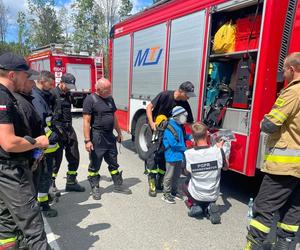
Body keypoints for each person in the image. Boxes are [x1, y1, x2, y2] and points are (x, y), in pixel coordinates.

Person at [245, 52, 300, 250]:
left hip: (284, 166)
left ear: (292, 70)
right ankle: (284, 246)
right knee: (293, 209)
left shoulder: (293, 92)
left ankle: (254, 245)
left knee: (264, 207)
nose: (283, 74)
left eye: (284, 70)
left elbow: (270, 124)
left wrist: (261, 121)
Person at [0, 52, 51, 249]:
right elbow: (9, 143)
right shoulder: (3, 96)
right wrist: (37, 142)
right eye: (25, 75)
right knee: (34, 228)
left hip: (6, 171)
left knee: (6, 225)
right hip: (10, 171)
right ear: (13, 75)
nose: (28, 79)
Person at [83, 78, 131, 200]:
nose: (110, 91)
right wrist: (87, 140)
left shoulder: (110, 98)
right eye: (107, 89)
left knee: (113, 161)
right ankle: (95, 188)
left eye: (110, 88)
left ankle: (118, 185)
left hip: (110, 136)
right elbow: (86, 121)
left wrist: (119, 132)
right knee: (95, 163)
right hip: (97, 137)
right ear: (98, 89)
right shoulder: (90, 100)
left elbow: (114, 117)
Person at [145, 81, 195, 196]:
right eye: (187, 95)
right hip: (156, 131)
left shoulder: (184, 103)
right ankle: (152, 183)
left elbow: (190, 122)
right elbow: (149, 107)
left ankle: (160, 182)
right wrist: (152, 123)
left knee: (164, 157)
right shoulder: (165, 95)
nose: (188, 98)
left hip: (170, 134)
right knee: (153, 157)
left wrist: (198, 134)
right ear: (181, 91)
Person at [184, 122, 228, 224]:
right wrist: (221, 148)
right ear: (207, 134)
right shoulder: (217, 152)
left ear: (193, 137)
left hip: (197, 194)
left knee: (184, 184)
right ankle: (209, 207)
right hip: (213, 194)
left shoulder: (188, 154)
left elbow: (186, 172)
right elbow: (226, 167)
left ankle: (196, 205)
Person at [32, 70, 60, 217]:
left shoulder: (41, 95)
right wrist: (51, 135)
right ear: (42, 81)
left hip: (45, 145)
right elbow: (40, 124)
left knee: (44, 174)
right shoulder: (37, 98)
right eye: (50, 83)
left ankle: (42, 199)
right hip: (43, 146)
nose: (52, 86)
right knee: (44, 175)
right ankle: (43, 204)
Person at [50, 73, 85, 192]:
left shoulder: (69, 94)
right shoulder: (52, 94)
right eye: (68, 85)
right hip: (56, 129)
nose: (70, 88)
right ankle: (51, 183)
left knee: (74, 155)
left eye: (71, 86)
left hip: (69, 128)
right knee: (56, 158)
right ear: (61, 83)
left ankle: (71, 182)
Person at [161, 106, 191, 204]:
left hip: (178, 155)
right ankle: (166, 194)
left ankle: (174, 191)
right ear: (177, 116)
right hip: (171, 155)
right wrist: (186, 148)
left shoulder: (179, 125)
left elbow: (182, 137)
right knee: (169, 175)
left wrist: (192, 136)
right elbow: (173, 144)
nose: (185, 119)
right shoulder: (169, 127)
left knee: (177, 175)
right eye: (183, 116)